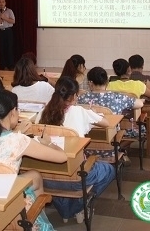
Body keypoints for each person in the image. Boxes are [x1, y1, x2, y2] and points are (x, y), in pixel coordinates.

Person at [0, 89, 67, 231]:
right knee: (31, 181)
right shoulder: (18, 140)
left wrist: (16, 132)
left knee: (35, 176)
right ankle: (37, 223)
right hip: (8, 204)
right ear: (13, 112)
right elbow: (62, 157)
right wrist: (48, 143)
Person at [38, 77, 116, 223]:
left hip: (46, 179)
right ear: (74, 96)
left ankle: (65, 210)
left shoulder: (42, 113)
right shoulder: (79, 111)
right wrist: (92, 113)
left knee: (62, 175)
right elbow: (106, 123)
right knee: (109, 170)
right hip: (76, 179)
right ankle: (78, 206)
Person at [78, 66, 144, 115]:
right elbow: (140, 104)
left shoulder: (81, 98)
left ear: (90, 83)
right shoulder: (117, 97)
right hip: (112, 129)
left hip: (88, 130)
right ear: (107, 82)